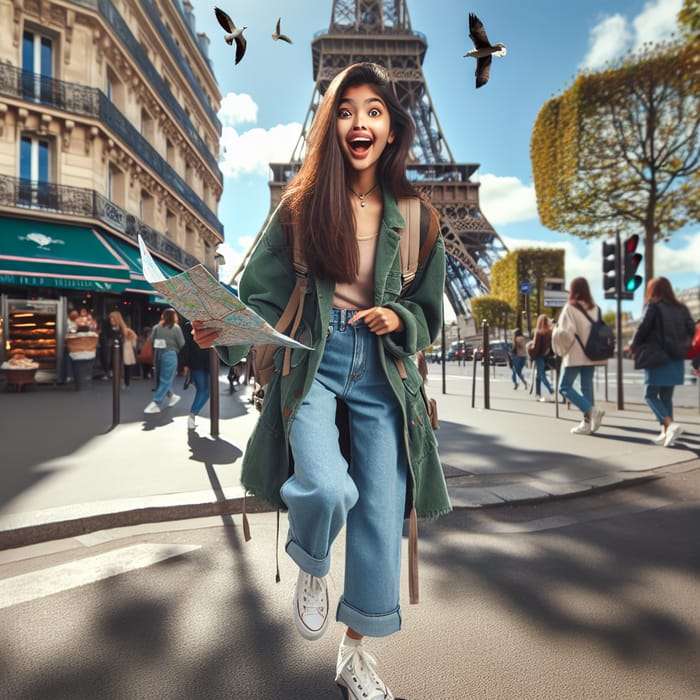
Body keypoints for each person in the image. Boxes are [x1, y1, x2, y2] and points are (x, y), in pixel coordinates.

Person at [193, 62, 450, 699]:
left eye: (373, 110)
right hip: (315, 356)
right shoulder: (301, 206)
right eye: (344, 110)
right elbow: (256, 294)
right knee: (327, 487)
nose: (358, 122)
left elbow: (431, 313)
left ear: (392, 128)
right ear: (330, 123)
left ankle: (355, 655)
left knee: (380, 515)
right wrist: (222, 332)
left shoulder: (421, 218)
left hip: (385, 371)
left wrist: (401, 317)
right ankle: (312, 560)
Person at [629, 277, 694, 447]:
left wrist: (633, 345)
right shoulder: (681, 308)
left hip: (657, 356)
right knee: (666, 396)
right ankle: (667, 433)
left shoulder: (653, 305)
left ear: (652, 290)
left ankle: (670, 426)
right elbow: (692, 329)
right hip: (676, 356)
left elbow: (642, 326)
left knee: (649, 394)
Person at [552, 277, 606, 435]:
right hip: (592, 353)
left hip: (575, 353)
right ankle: (587, 424)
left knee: (564, 387)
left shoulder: (570, 307)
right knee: (586, 386)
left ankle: (591, 410)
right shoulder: (596, 308)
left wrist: (555, 330)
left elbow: (566, 333)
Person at [144, 308, 185, 414]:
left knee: (161, 378)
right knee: (166, 379)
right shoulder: (176, 328)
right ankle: (156, 402)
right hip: (170, 354)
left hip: (158, 354)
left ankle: (172, 396)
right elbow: (182, 344)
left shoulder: (157, 327)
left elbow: (151, 340)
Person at [180, 320, 211, 430]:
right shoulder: (189, 326)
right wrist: (185, 363)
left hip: (204, 362)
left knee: (205, 391)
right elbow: (186, 345)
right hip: (201, 362)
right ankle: (192, 415)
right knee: (204, 391)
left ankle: (192, 416)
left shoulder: (189, 326)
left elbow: (186, 345)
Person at [105, 311, 137, 389]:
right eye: (110, 319)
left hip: (124, 349)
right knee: (116, 365)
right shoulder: (109, 329)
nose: (111, 320)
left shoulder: (123, 329)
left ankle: (126, 383)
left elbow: (133, 337)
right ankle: (119, 381)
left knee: (125, 366)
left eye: (113, 319)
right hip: (115, 350)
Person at [530, 314, 555, 401]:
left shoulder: (538, 332)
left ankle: (551, 390)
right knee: (538, 376)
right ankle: (538, 394)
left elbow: (535, 347)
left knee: (541, 375)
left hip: (539, 356)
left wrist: (531, 354)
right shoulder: (550, 332)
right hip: (547, 356)